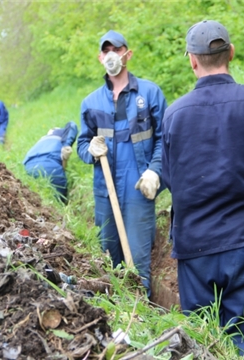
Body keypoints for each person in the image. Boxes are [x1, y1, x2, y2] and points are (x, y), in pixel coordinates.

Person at [161, 20, 244, 359]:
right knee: (243, 343)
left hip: (193, 246)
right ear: (231, 53)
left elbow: (169, 178)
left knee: (201, 340)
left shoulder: (173, 115)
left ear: (192, 60)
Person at [77, 30, 168, 296]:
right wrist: (91, 150)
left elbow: (165, 140)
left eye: (116, 50)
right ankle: (115, 317)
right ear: (99, 58)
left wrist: (155, 171)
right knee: (108, 259)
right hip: (105, 189)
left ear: (128, 54)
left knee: (138, 260)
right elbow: (82, 144)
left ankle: (142, 318)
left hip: (138, 186)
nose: (111, 55)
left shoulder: (150, 94)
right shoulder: (90, 102)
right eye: (106, 51)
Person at [23, 121, 78, 202]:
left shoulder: (42, 139)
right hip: (50, 167)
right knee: (60, 203)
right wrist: (67, 144)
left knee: (38, 202)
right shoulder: (62, 134)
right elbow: (72, 125)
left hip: (29, 167)